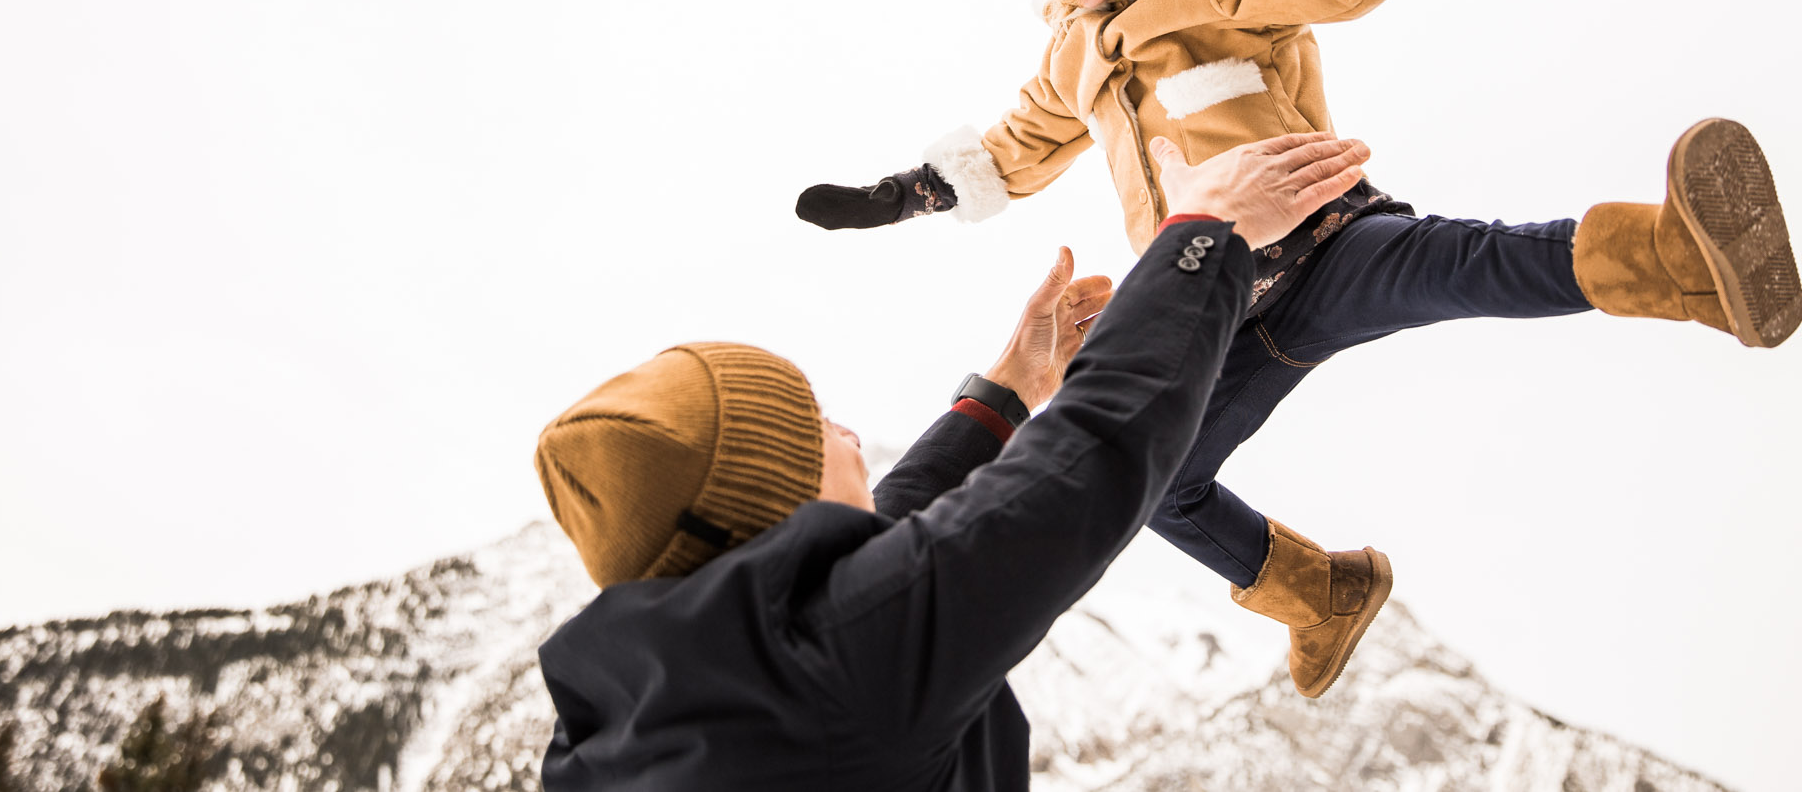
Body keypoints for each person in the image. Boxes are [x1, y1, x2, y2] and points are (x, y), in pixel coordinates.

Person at [794, 0, 1802, 697]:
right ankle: (1318, 593)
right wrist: (906, 192)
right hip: (1217, 307)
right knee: (1157, 483)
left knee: (1460, 264)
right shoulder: (1070, 59)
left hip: (1320, 244)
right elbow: (1014, 150)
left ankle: (1675, 261)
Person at [534, 132, 1374, 792]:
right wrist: (1206, 230)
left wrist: (1005, 390)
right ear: (768, 497)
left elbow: (867, 574)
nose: (849, 431)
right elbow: (1092, 454)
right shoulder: (835, 676)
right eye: (813, 424)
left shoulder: (639, 714)